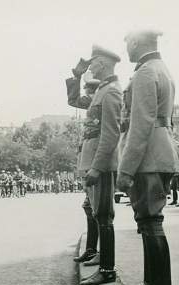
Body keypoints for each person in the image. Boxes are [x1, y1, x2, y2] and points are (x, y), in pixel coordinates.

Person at [116, 29, 179, 285]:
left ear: (137, 42)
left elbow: (140, 124)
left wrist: (126, 168)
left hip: (148, 157)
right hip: (159, 151)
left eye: (128, 41)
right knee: (147, 222)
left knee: (151, 222)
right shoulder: (160, 68)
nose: (126, 47)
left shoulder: (144, 73)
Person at [78, 44, 122, 285]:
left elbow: (110, 134)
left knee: (104, 216)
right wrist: (75, 75)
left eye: (93, 62)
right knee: (99, 213)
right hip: (95, 159)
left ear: (103, 64)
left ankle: (107, 269)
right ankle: (104, 266)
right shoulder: (102, 90)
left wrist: (97, 166)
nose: (90, 67)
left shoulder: (111, 92)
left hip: (101, 163)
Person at [66, 58, 102, 263]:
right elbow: (72, 100)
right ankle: (91, 250)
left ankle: (97, 253)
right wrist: (76, 76)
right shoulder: (93, 102)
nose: (86, 94)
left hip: (96, 160)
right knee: (89, 207)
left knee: (97, 209)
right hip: (87, 158)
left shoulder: (102, 101)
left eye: (89, 90)